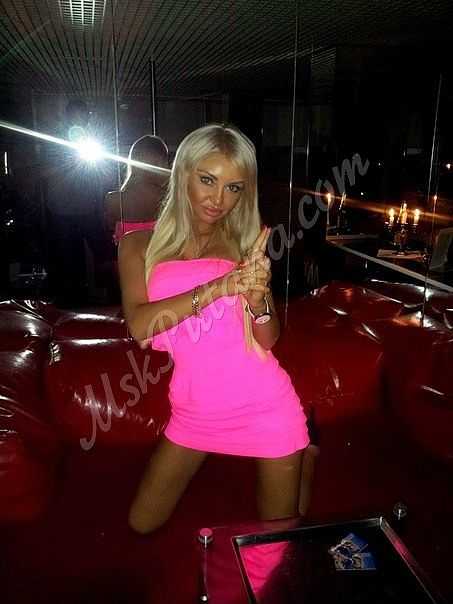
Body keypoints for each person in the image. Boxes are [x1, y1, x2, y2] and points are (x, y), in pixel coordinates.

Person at [119, 123, 310, 535]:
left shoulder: (244, 242)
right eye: (207, 180)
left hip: (265, 407)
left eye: (233, 187)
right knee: (141, 523)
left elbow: (268, 338)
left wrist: (257, 301)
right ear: (182, 173)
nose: (218, 199)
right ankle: (304, 460)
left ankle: (302, 455)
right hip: (193, 411)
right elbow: (140, 325)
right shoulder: (137, 245)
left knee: (277, 540)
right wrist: (218, 287)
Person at [45, 99, 103, 305]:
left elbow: (97, 172)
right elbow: (46, 171)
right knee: (69, 258)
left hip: (86, 206)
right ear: (69, 117)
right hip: (62, 209)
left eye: (83, 116)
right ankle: (73, 299)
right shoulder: (55, 140)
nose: (81, 120)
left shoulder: (92, 140)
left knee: (101, 251)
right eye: (77, 116)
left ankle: (103, 294)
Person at [104, 135, 169, 244]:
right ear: (161, 163)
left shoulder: (113, 200)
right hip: (161, 254)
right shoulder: (169, 198)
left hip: (126, 255)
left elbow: (109, 230)